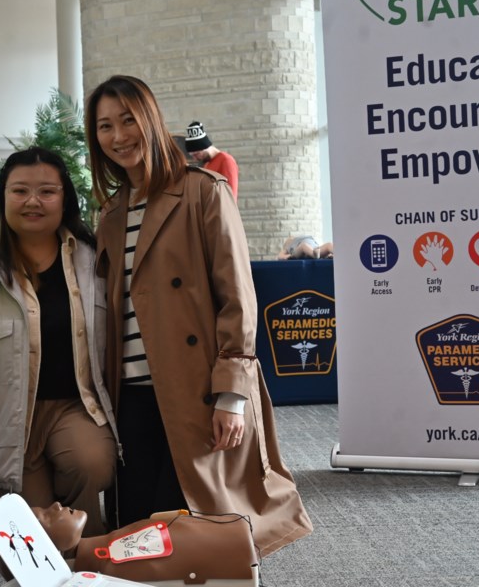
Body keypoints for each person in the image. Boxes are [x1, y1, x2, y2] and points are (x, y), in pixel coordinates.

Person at [85, 75, 312, 558]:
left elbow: (237, 295)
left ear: (151, 119)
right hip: (130, 392)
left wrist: (231, 392)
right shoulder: (108, 215)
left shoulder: (203, 191)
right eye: (105, 126)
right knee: (135, 530)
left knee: (194, 527)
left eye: (128, 119)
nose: (119, 136)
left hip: (195, 388)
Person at [0, 147, 118, 537]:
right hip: (6, 419)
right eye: (19, 191)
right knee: (26, 528)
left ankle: (88, 540)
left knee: (90, 463)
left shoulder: (94, 260)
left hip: (75, 408)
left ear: (65, 198)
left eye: (47, 192)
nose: (33, 202)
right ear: (3, 195)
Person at [33, 502, 259, 584]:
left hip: (236, 544)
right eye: (45, 515)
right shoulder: (109, 561)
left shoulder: (111, 546)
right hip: (236, 556)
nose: (54, 505)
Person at [184, 121, 239, 201]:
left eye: (196, 154)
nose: (195, 159)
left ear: (205, 147)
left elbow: (231, 195)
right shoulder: (207, 164)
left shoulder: (226, 160)